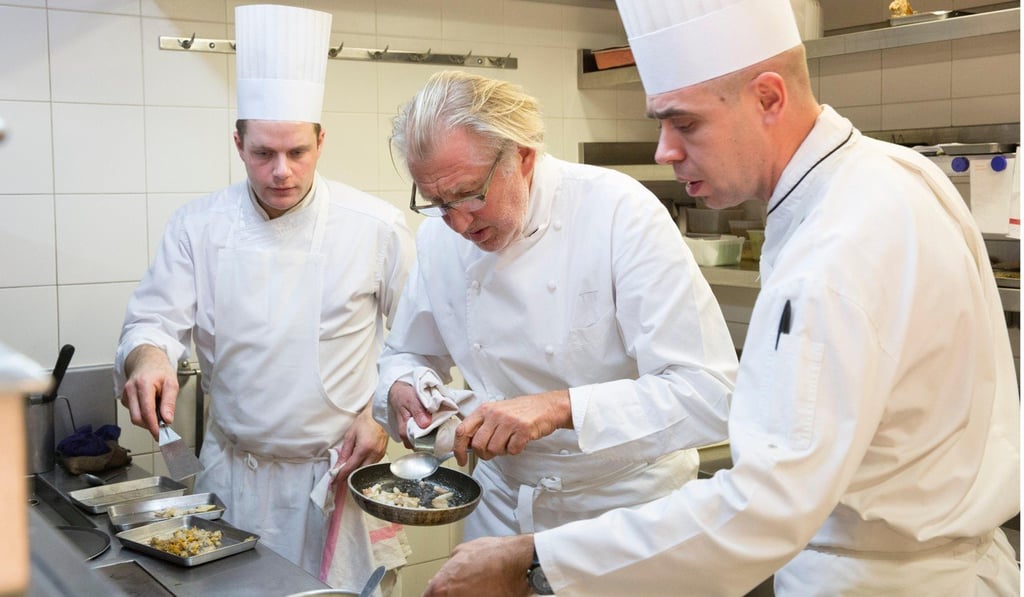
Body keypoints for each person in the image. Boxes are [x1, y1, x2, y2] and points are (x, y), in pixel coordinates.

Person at [420, 0, 1021, 595]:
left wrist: (536, 560)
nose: (664, 151)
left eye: (685, 123)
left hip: (879, 580)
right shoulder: (892, 174)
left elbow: (766, 503)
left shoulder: (835, 246)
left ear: (768, 97)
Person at [114, 5, 413, 594]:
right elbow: (153, 319)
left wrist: (378, 415)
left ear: (321, 141)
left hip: (339, 477)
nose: (281, 172)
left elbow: (421, 345)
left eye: (298, 152)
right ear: (237, 142)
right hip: (235, 476)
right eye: (263, 153)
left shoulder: (375, 227)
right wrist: (147, 356)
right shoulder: (197, 226)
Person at [374, 70, 738, 543]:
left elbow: (709, 394)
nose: (459, 222)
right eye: (438, 201)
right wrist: (403, 386)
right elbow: (406, 353)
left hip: (624, 512)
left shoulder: (618, 213)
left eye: (470, 194)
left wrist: (560, 407)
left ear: (522, 157)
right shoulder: (439, 239)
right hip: (501, 506)